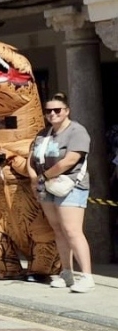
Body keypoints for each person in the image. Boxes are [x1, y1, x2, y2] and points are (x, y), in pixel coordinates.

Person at [31, 92, 94, 292]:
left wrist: (45, 175)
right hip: (46, 186)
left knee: (72, 230)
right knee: (58, 230)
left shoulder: (77, 131)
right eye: (48, 110)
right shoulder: (43, 133)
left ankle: (87, 276)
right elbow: (30, 157)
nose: (52, 114)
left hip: (71, 185)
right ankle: (66, 272)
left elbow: (71, 160)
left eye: (57, 110)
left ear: (66, 111)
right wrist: (35, 177)